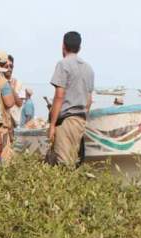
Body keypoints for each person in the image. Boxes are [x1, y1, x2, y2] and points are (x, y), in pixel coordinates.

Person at [48, 31, 95, 166]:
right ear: (79, 47)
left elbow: (59, 96)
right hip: (80, 121)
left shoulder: (63, 64)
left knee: (62, 164)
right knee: (74, 161)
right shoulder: (89, 69)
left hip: (66, 121)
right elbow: (89, 100)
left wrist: (52, 125)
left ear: (63, 46)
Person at [0, 51, 19, 160]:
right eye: (7, 66)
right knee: (3, 160)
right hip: (0, 127)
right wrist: (10, 87)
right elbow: (9, 103)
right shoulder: (3, 82)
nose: (9, 68)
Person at [5, 54, 25, 127]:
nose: (9, 68)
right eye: (6, 66)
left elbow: (20, 103)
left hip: (14, 124)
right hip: (2, 122)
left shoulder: (19, 83)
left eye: (11, 66)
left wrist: (11, 88)